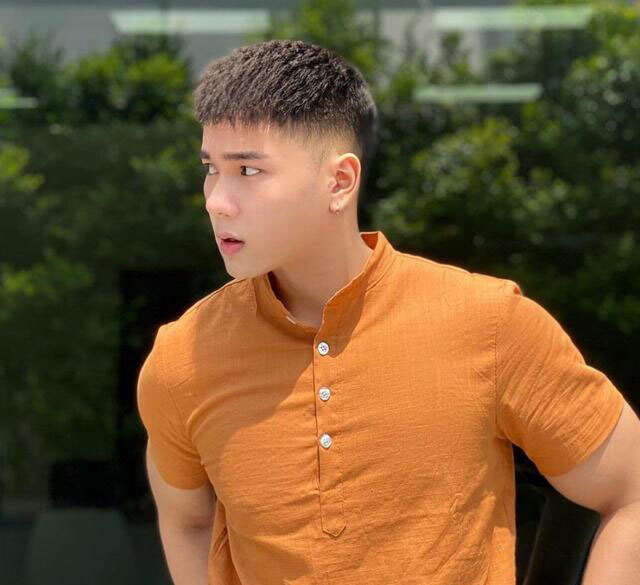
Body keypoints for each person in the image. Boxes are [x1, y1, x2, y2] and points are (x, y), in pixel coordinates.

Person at [136, 39, 627, 585]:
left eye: (248, 170)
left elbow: (630, 491)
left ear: (339, 181)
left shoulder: (489, 323)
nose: (215, 200)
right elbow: (187, 523)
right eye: (211, 168)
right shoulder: (183, 356)